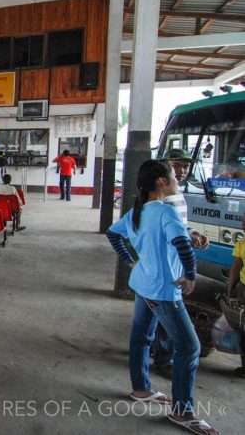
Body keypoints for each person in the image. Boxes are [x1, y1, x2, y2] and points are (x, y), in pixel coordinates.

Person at [106, 159, 219, 435]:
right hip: (163, 290)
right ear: (161, 182)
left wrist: (130, 260)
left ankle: (141, 389)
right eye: (174, 176)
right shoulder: (165, 212)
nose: (177, 181)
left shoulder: (138, 210)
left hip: (144, 283)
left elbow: (113, 234)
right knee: (190, 347)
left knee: (142, 337)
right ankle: (182, 412)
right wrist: (191, 274)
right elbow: (181, 243)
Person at [151, 149, 210, 377]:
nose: (182, 171)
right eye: (177, 166)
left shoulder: (175, 191)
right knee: (169, 315)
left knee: (152, 314)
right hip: (166, 264)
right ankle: (164, 359)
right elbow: (160, 227)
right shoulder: (160, 194)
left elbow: (179, 223)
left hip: (171, 262)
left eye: (185, 167)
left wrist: (192, 231)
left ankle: (148, 351)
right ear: (164, 166)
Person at [227, 213, 245, 378]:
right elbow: (236, 267)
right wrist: (231, 287)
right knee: (242, 329)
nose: (243, 225)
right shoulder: (242, 243)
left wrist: (231, 287)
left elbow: (236, 267)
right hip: (243, 290)